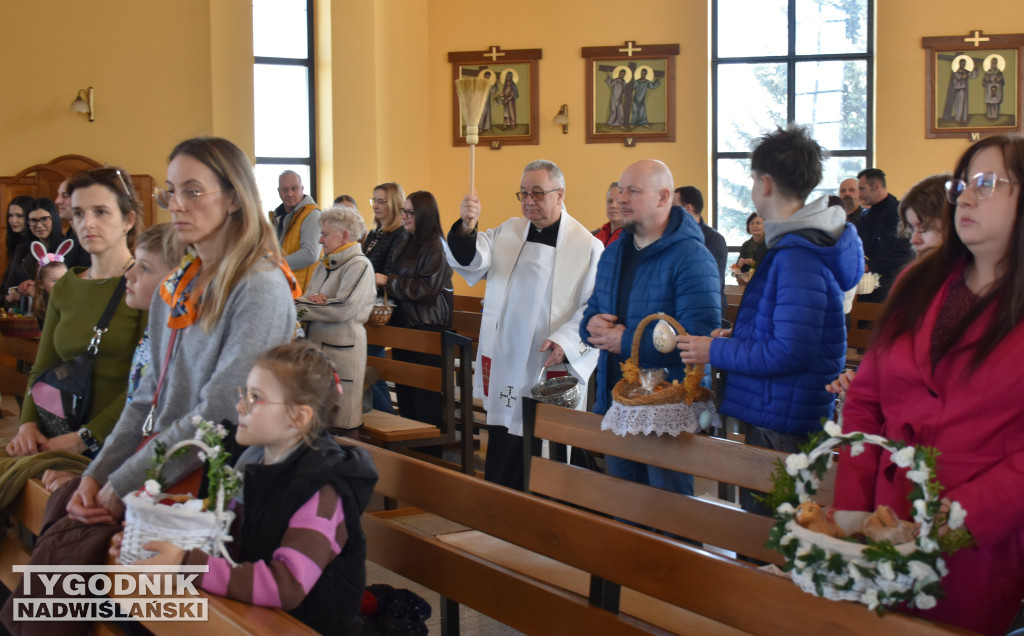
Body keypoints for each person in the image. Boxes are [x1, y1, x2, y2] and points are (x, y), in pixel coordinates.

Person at [835, 135, 1024, 636]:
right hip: (884, 517)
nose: (964, 197)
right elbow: (867, 400)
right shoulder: (915, 284)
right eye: (963, 185)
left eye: (987, 184)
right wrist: (852, 508)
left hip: (974, 538)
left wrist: (966, 513)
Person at [116, 342, 378, 635]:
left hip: (302, 626)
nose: (240, 406)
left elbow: (287, 585)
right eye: (245, 394)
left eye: (256, 398)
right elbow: (222, 540)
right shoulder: (250, 461)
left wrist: (186, 564)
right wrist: (153, 547)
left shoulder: (322, 493)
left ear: (298, 417)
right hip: (248, 613)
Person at [678, 125, 863, 514]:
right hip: (778, 407)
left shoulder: (798, 254)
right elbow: (787, 330)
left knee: (772, 538)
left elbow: (790, 352)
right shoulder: (797, 246)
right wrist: (740, 332)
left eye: (750, 180)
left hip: (784, 419)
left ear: (764, 184)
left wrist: (716, 349)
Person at [445, 159, 602, 489]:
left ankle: (545, 505)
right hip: (506, 356)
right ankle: (501, 503)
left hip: (548, 360)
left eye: (537, 193)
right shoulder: (508, 232)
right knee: (504, 432)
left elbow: (595, 306)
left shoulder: (587, 246)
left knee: (545, 437)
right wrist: (467, 227)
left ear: (560, 195)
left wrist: (567, 342)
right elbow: (472, 260)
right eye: (523, 193)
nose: (528, 200)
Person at [0, 167, 146, 515]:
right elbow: (43, 366)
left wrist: (82, 441)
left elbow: (147, 387)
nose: (86, 223)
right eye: (79, 213)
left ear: (127, 219)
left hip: (117, 445)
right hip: (58, 433)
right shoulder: (66, 285)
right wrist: (28, 425)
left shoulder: (143, 284)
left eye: (100, 212)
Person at [583, 159, 720, 496]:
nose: (621, 199)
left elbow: (698, 339)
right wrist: (590, 324)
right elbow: (594, 312)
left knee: (670, 512)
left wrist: (625, 341)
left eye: (633, 191)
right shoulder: (614, 252)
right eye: (619, 190)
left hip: (666, 407)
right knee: (626, 508)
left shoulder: (692, 256)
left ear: (663, 198)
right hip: (620, 400)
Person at [295, 205, 376, 435]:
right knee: (317, 424)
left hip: (343, 354)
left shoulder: (359, 265)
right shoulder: (324, 264)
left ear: (344, 235)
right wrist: (313, 302)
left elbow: (342, 308)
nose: (320, 240)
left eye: (325, 234)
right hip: (317, 352)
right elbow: (309, 299)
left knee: (342, 426)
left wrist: (303, 306)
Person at [386, 191, 453, 453]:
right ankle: (411, 449)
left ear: (424, 215)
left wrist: (388, 282)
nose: (404, 216)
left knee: (424, 397)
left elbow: (427, 290)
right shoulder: (408, 241)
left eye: (410, 212)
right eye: (403, 211)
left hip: (427, 328)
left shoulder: (437, 245)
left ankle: (430, 454)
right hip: (405, 326)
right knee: (406, 392)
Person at [363, 182, 406, 414]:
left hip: (382, 309)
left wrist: (364, 275)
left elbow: (389, 273)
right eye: (374, 200)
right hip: (367, 306)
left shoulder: (399, 234)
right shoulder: (374, 233)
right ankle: (382, 414)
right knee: (370, 367)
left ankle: (386, 416)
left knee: (370, 366)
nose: (376, 206)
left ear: (395, 204)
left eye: (382, 201)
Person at [856, 168, 913, 302]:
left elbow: (905, 251)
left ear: (876, 186)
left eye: (862, 189)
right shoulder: (864, 218)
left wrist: (870, 265)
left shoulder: (902, 213)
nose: (859, 194)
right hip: (868, 285)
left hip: (897, 284)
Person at [5, 198, 65, 307]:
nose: (39, 225)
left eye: (44, 219)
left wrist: (36, 291)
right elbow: (8, 287)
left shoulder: (65, 249)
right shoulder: (22, 250)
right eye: (33, 220)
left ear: (54, 219)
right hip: (24, 316)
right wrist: (18, 292)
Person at [674, 186, 727, 303]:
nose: (668, 211)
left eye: (673, 206)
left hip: (706, 307)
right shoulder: (673, 237)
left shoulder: (713, 240)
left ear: (687, 208)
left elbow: (710, 283)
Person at [271, 170, 321, 291]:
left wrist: (275, 264)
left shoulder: (312, 215)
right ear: (278, 191)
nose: (289, 193)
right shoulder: (277, 216)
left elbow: (310, 254)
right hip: (285, 286)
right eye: (285, 189)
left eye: (294, 188)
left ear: (302, 189)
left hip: (304, 292)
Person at [53, 178, 91, 269]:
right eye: (58, 195)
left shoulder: (90, 235)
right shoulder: (70, 234)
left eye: (65, 196)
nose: (57, 201)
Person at [30, 243, 70, 327]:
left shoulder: (72, 304)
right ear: (41, 284)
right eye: (54, 280)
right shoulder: (42, 309)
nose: (61, 284)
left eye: (64, 279)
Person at [2, 196, 31, 307]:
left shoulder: (34, 246)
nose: (13, 220)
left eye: (19, 216)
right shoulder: (17, 244)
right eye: (10, 216)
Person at [593, 181, 624, 246]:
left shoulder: (636, 240)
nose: (613, 205)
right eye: (610, 201)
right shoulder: (594, 237)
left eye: (618, 201)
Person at [982, 56, 1005, 121]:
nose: (993, 64)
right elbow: (983, 82)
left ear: (997, 64)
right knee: (990, 103)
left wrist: (999, 79)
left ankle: (995, 115)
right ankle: (989, 115)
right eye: (992, 63)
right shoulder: (988, 72)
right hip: (989, 88)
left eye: (995, 63)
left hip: (997, 88)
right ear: (990, 63)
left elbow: (1003, 82)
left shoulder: (999, 72)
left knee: (995, 102)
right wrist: (986, 80)